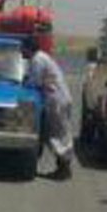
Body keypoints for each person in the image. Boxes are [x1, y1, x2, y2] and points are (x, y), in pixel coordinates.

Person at [22, 36, 75, 180]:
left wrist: (22, 82)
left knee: (57, 133)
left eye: (23, 48)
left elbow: (34, 81)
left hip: (56, 100)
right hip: (57, 98)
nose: (21, 52)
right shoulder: (40, 58)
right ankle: (63, 167)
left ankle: (63, 168)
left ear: (28, 48)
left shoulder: (37, 60)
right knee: (59, 133)